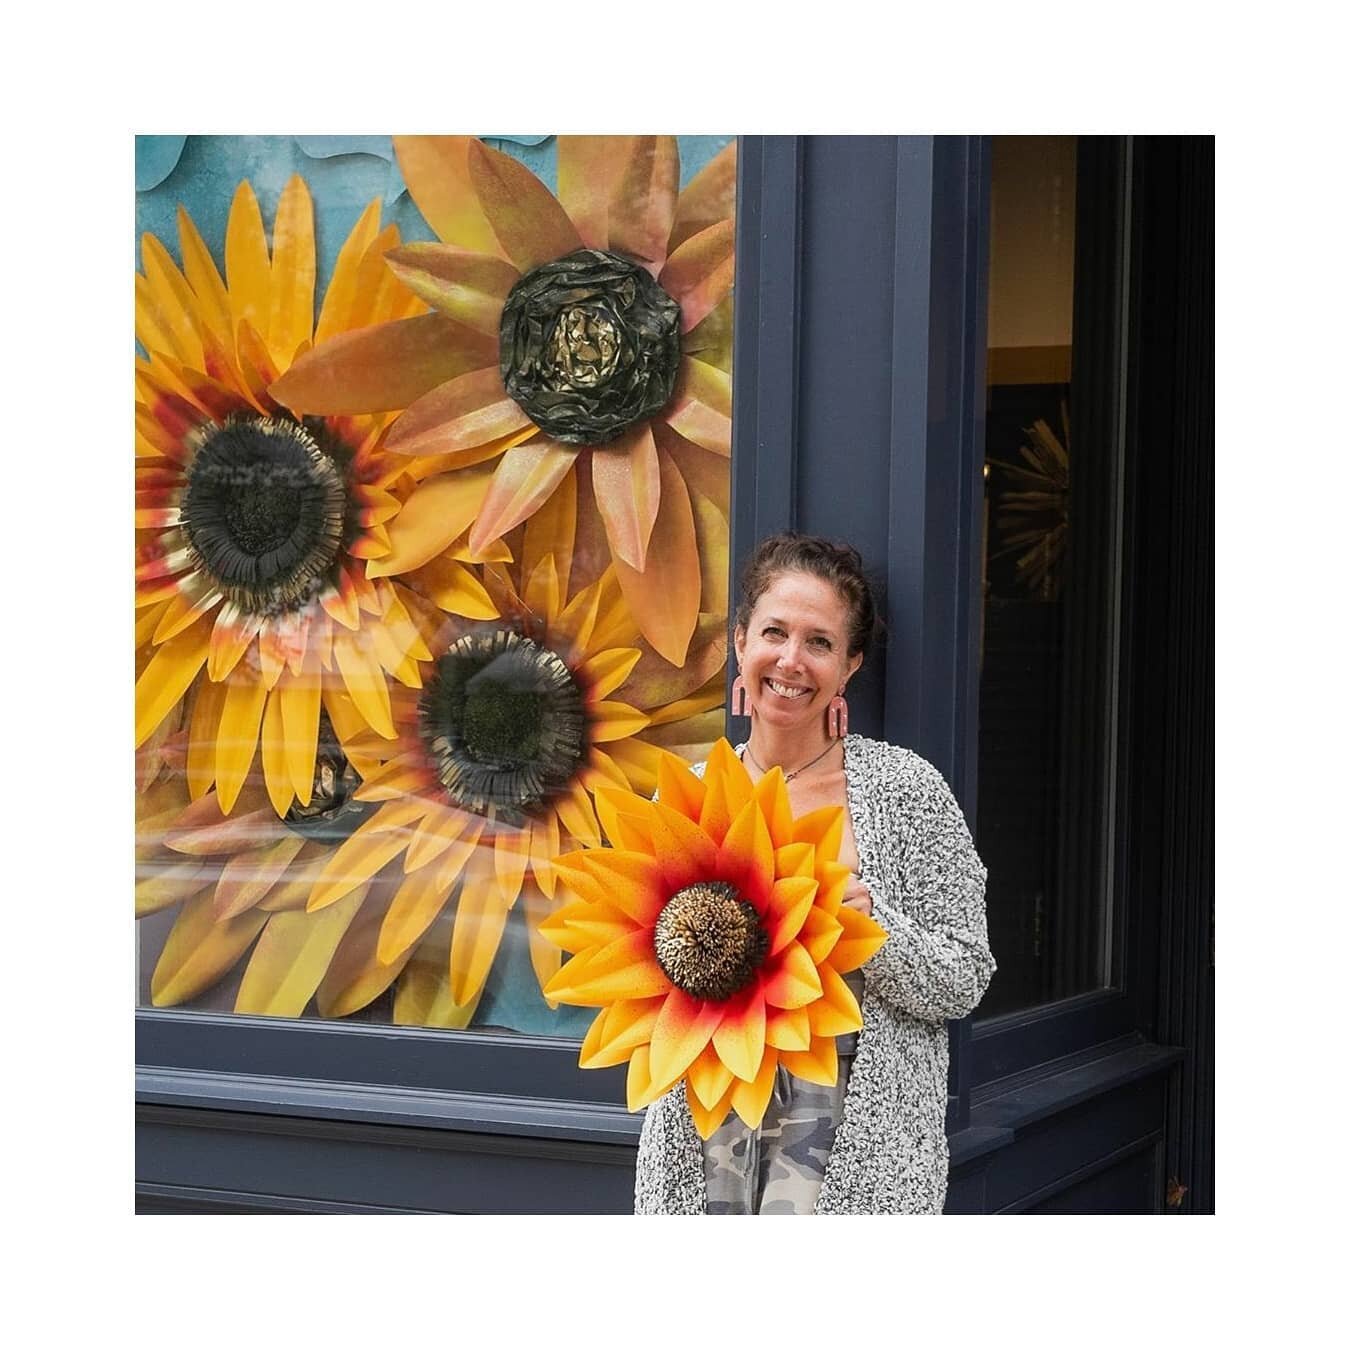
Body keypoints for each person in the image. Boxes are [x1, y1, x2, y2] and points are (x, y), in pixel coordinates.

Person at [634, 532, 995, 1214]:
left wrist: (872, 929)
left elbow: (965, 976)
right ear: (741, 642)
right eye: (774, 632)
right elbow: (642, 984)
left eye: (819, 642)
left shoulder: (905, 793)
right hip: (707, 1138)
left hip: (854, 1151)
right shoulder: (685, 796)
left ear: (850, 664)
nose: (791, 661)